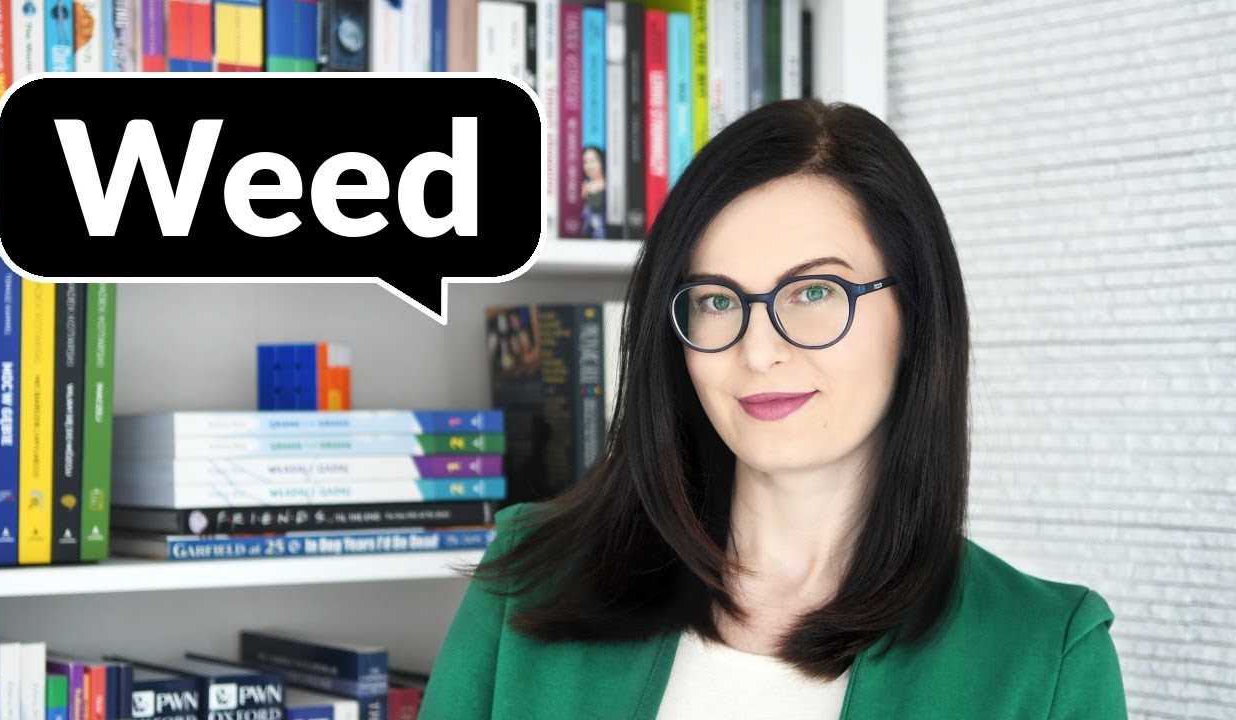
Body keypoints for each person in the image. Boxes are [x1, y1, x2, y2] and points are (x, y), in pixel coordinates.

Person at [418, 98, 1128, 719]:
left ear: (916, 315)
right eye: (716, 300)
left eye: (816, 292)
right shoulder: (529, 576)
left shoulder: (1046, 652)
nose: (758, 351)